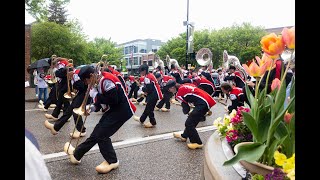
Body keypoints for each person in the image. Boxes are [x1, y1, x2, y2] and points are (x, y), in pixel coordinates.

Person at [64, 65, 136, 174]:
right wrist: (91, 108)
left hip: (122, 111)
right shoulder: (97, 81)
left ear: (92, 76)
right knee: (96, 133)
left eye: (86, 80)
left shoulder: (106, 80)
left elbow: (113, 100)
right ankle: (76, 154)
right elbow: (101, 102)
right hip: (113, 110)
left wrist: (96, 95)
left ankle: (112, 161)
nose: (87, 83)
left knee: (102, 135)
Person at [169, 82, 216, 149]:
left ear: (173, 88)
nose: (169, 91)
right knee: (192, 120)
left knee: (189, 123)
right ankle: (184, 136)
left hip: (202, 104)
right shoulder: (184, 85)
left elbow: (186, 108)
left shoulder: (179, 94)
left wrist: (186, 111)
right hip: (207, 99)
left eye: (169, 89)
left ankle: (197, 142)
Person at [44, 67, 87, 138]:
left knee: (74, 112)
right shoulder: (74, 75)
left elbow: (81, 86)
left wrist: (73, 80)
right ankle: (56, 127)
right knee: (69, 111)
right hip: (80, 94)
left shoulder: (76, 75)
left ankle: (81, 130)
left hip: (83, 94)